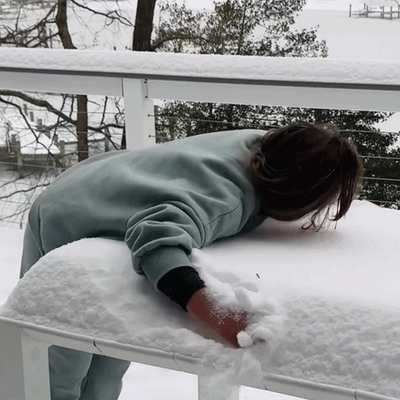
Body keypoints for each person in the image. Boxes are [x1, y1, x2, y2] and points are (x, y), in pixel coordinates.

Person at [20, 122, 363, 400]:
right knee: (62, 362)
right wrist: (218, 316)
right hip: (66, 218)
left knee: (110, 354)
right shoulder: (228, 198)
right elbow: (155, 240)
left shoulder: (257, 144)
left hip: (95, 182)